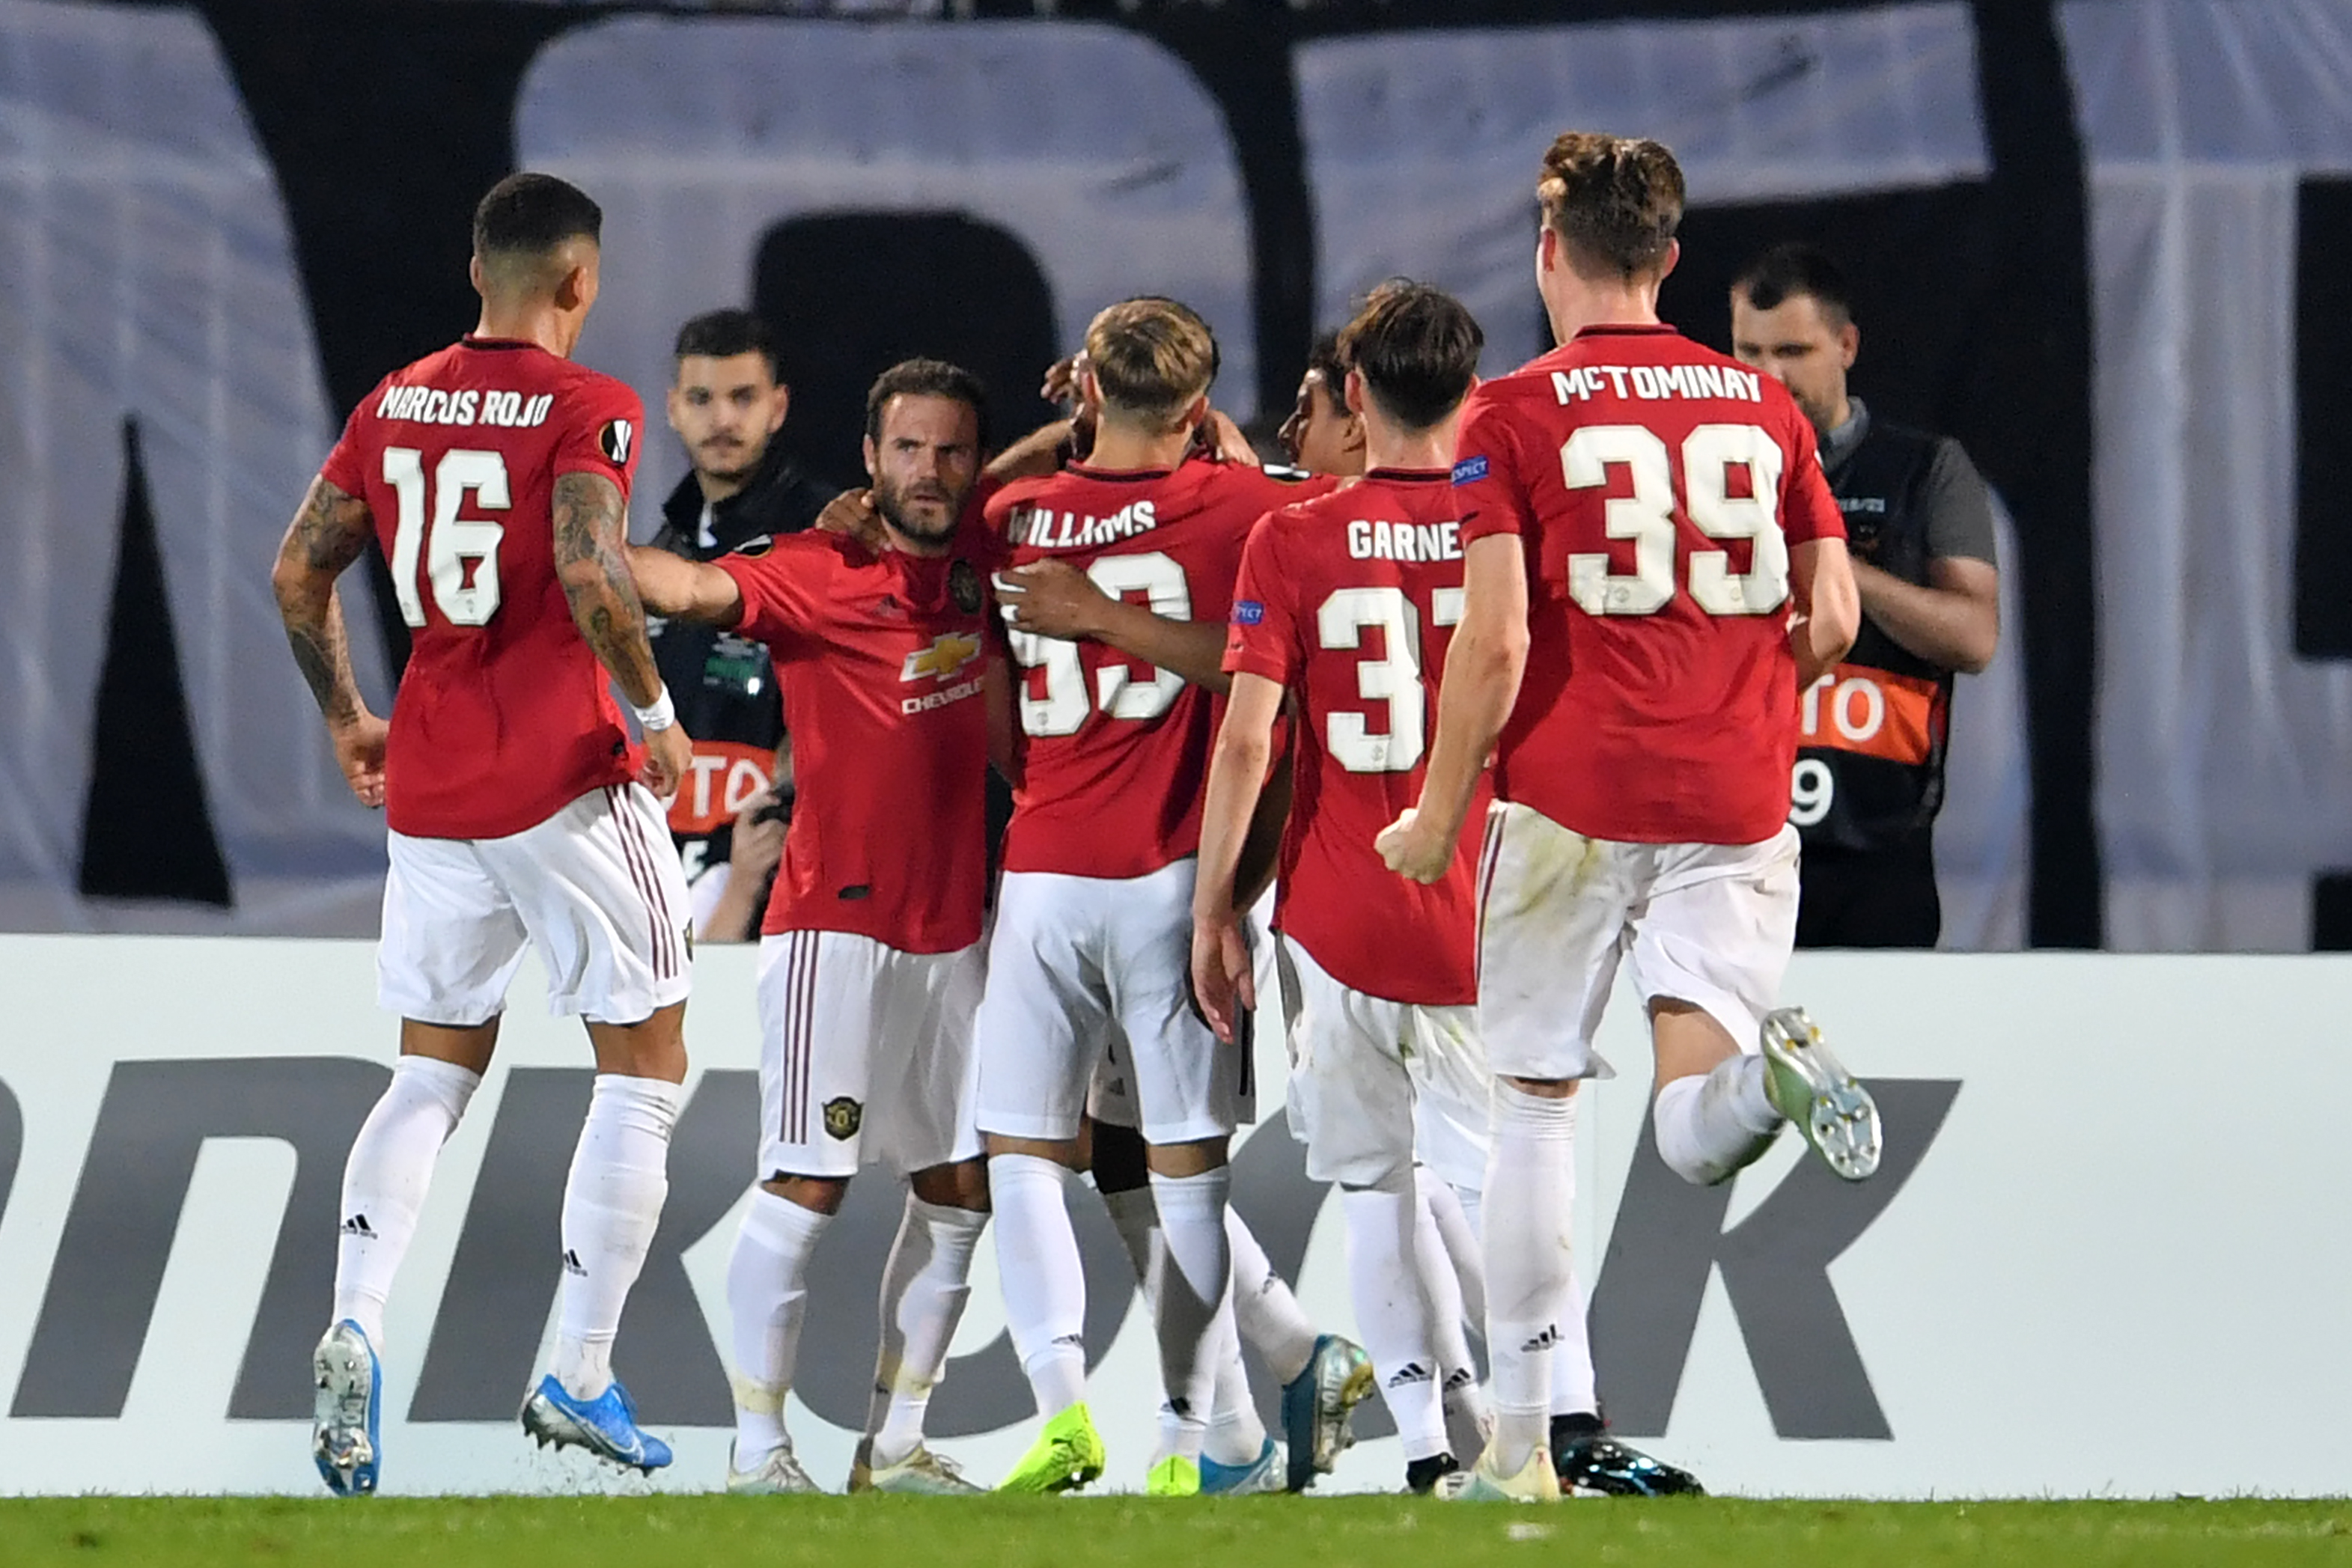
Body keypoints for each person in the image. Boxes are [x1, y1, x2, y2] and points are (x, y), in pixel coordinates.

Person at [1377, 132, 1881, 1502]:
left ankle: (1526, 1451)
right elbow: (1831, 616)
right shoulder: (1764, 412)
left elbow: (1489, 648)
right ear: (1668, 259)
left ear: (1551, 253)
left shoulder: (1512, 414)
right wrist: (1729, 689)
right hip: (1732, 796)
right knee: (1685, 1123)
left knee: (1535, 1106)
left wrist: (1431, 817)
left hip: (1570, 803)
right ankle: (1763, 1083)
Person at [1215, 292, 1701, 1499]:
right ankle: (1561, 1424)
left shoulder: (1292, 537)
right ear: (1468, 390)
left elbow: (1247, 745)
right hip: (1489, 892)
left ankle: (1432, 1449)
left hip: (1339, 905)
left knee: (1377, 1191)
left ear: (1356, 394)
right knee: (1507, 1176)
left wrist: (1213, 905)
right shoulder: (1518, 530)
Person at [271, 171, 692, 1495]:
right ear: (581, 282)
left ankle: (355, 1319)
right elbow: (589, 568)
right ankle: (577, 1370)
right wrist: (658, 710)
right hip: (561, 771)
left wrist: (349, 713)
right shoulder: (589, 406)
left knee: (430, 1073)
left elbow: (298, 569)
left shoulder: (394, 397)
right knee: (646, 1061)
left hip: (436, 775)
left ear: (477, 271)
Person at [975, 297, 1338, 1497]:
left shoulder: (1014, 516)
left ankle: (1064, 1407)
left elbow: (992, 513)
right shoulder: (1248, 508)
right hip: (1175, 873)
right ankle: (1194, 1440)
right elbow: (1255, 662)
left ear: (1081, 386)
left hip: (1041, 867)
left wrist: (1067, 433)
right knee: (1183, 1168)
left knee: (1025, 1150)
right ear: (1196, 405)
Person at [629, 361, 1003, 1497]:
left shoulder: (991, 573)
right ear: (868, 458)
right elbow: (689, 590)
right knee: (807, 1184)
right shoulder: (821, 567)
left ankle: (892, 1449)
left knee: (959, 1194)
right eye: (907, 449)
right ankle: (755, 1450)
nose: (928, 471)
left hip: (956, 935)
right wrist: (590, 551)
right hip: (833, 932)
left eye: (951, 451)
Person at [1728, 243, 2002, 947]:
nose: (1768, 376)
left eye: (1792, 349)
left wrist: (1839, 570)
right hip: (1734, 852)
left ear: (1846, 345)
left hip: (1877, 851)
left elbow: (1975, 638)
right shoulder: (1703, 474)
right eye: (1747, 353)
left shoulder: (1924, 470)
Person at [649, 308, 840, 940]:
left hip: (787, 877)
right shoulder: (668, 539)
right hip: (675, 875)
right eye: (702, 399)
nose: (723, 420)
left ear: (778, 408)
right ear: (673, 407)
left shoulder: (823, 534)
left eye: (743, 398)